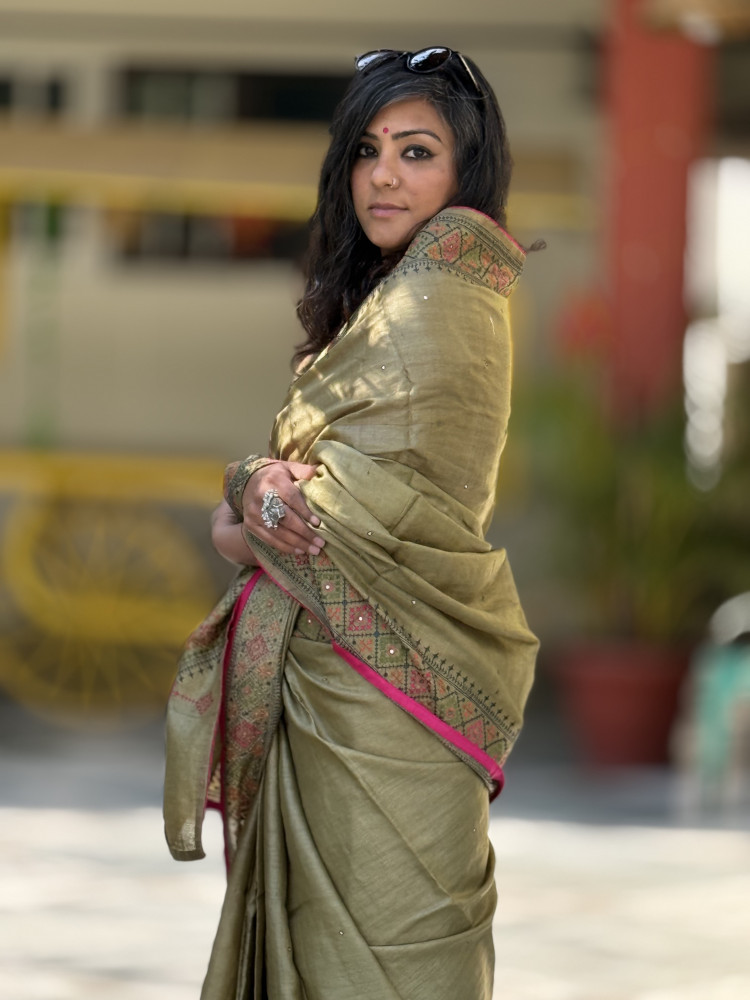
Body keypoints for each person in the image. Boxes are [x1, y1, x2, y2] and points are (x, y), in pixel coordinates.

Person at [163, 46, 539, 1000]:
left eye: (417, 151)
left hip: (395, 696)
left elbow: (306, 524)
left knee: (402, 951)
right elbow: (274, 511)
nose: (384, 173)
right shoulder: (378, 300)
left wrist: (251, 490)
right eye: (368, 149)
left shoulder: (443, 295)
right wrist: (257, 489)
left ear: (465, 172)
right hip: (330, 679)